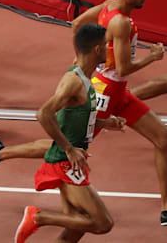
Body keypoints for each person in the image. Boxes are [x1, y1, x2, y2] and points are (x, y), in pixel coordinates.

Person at [70, 0, 167, 226]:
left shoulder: (107, 6)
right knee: (68, 147)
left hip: (117, 92)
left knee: (163, 138)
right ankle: (0, 154)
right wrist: (152, 57)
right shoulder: (120, 22)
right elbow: (123, 69)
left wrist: (81, 60)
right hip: (105, 93)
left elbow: (76, 24)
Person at [14, 23, 114, 243]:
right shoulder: (74, 81)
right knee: (103, 223)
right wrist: (69, 149)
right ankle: (38, 217)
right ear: (97, 49)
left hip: (71, 159)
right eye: (107, 45)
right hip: (64, 162)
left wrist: (104, 122)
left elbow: (74, 114)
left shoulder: (84, 76)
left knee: (74, 229)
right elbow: (44, 113)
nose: (110, 49)